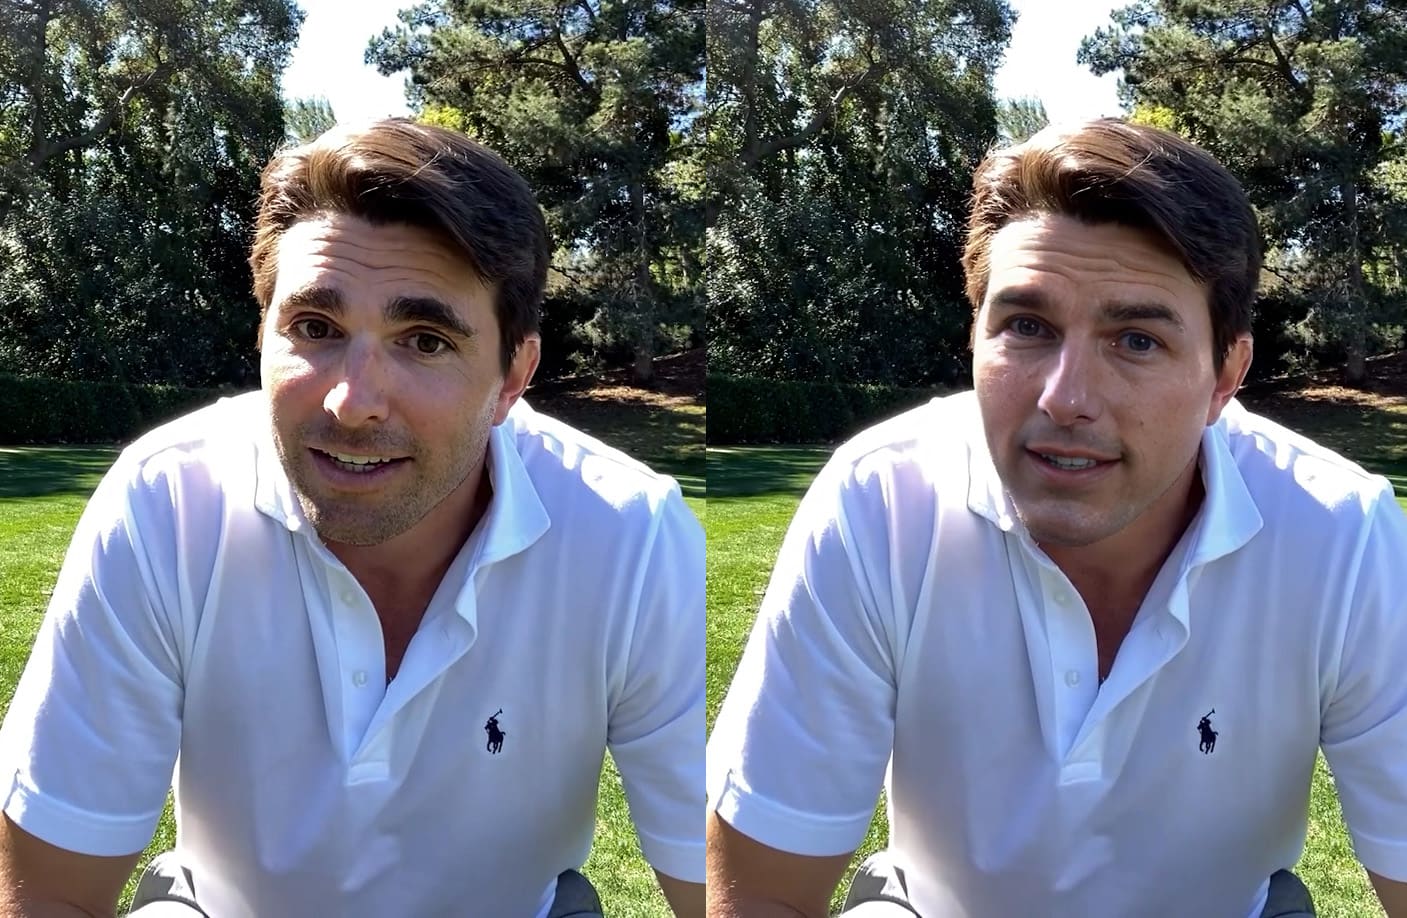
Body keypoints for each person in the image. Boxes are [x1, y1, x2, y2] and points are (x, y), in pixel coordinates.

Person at [0, 119, 704, 917]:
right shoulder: (168, 502)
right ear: (262, 335)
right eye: (315, 329)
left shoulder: (631, 535)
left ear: (513, 375)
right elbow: (52, 892)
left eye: (425, 341)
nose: (352, 402)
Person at [705, 119, 1407, 917]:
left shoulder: (1339, 533)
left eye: (1135, 340)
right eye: (1027, 327)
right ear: (974, 336)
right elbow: (765, 893)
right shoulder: (882, 501)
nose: (1065, 398)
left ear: (1225, 375)